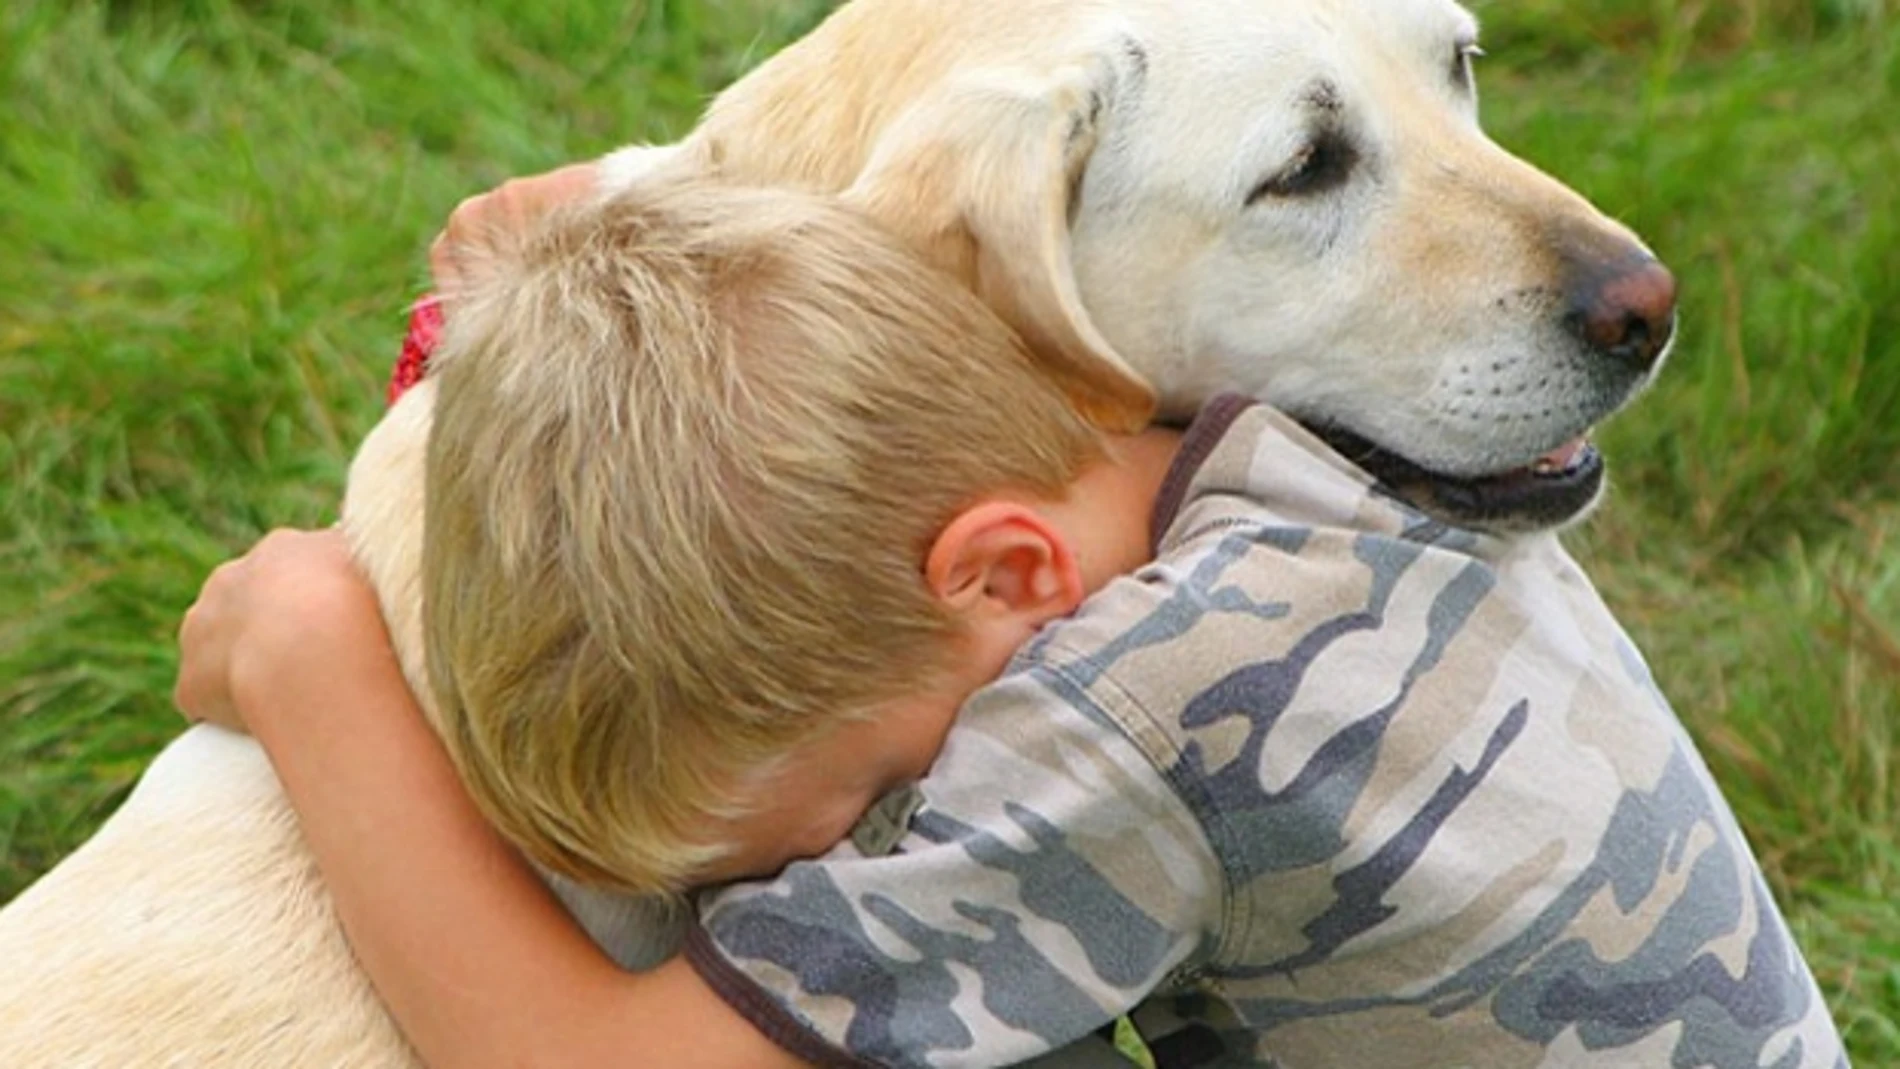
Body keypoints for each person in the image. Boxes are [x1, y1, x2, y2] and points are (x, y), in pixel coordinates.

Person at [176, 174, 1847, 1068]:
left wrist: (313, 656)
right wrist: (626, 229)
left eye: (840, 821)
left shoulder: (1136, 719)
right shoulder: (1286, 452)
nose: (811, 887)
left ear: (999, 578)